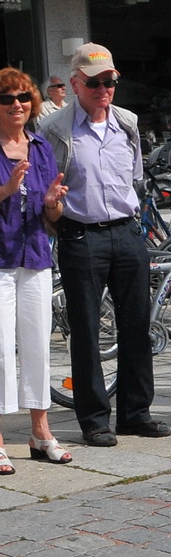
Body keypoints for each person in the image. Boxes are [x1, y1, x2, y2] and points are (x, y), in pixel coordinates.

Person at [40, 43, 170, 446]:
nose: (104, 90)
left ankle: (136, 413)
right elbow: (47, 189)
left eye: (110, 81)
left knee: (136, 324)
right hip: (82, 234)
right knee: (86, 330)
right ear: (75, 84)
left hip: (127, 232)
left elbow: (134, 176)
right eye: (95, 83)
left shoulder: (127, 123)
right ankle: (94, 420)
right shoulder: (54, 128)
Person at [0, 68, 71, 471]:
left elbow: (52, 216)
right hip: (0, 260)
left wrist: (51, 203)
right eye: (7, 98)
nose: (17, 105)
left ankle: (41, 432)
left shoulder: (41, 146)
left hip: (36, 256)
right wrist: (7, 190)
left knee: (37, 347)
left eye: (23, 97)